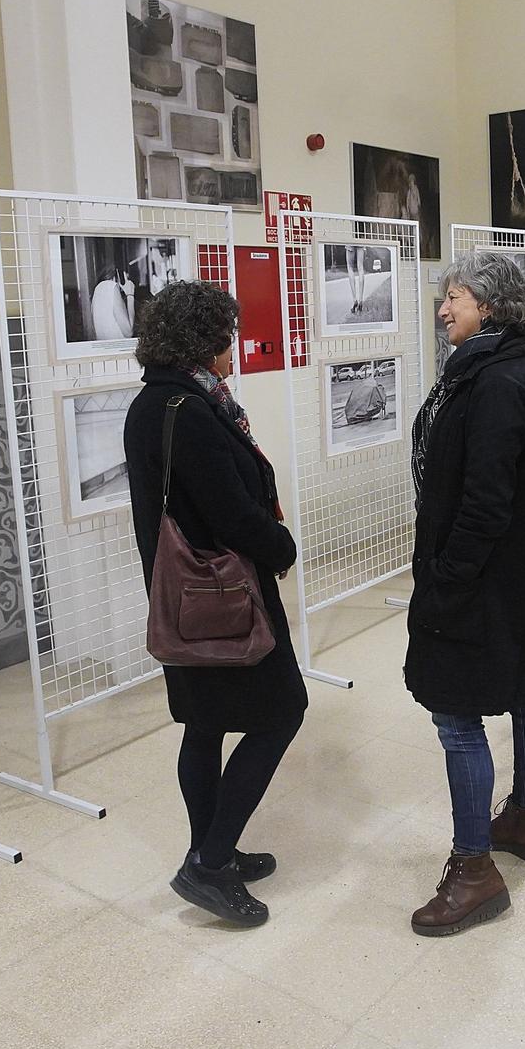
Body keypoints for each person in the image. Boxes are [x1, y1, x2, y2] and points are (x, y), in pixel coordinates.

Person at [124, 280, 306, 928]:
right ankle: (209, 860)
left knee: (203, 726)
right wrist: (281, 545)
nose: (232, 350)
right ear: (200, 342)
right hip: (224, 594)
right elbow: (230, 512)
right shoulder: (191, 411)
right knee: (284, 710)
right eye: (224, 338)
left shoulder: (154, 403)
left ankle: (213, 851)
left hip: (183, 599)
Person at [406, 249, 525, 936]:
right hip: (520, 574)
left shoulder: (495, 381)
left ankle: (474, 870)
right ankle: (524, 819)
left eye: (457, 295)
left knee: (454, 715)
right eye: (444, 296)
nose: (444, 307)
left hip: (485, 578)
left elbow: (485, 501)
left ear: (492, 306)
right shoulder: (506, 366)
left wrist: (446, 578)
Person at [90, 252, 136, 340]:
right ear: (118, 275)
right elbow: (128, 332)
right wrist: (130, 295)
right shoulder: (111, 286)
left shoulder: (98, 289)